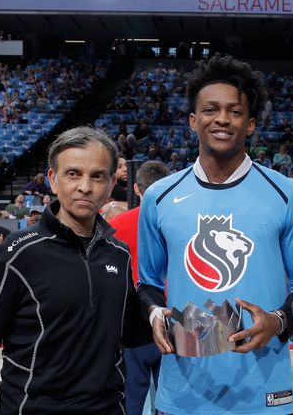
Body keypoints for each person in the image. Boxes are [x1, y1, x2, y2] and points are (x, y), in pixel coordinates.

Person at [137, 55, 293, 415]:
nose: (222, 119)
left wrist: (277, 321)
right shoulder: (160, 197)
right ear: (193, 120)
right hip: (181, 395)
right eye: (210, 109)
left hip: (265, 395)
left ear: (251, 124)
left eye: (235, 112)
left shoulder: (288, 195)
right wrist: (156, 313)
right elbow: (147, 285)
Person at [0, 127, 147, 414]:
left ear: (110, 186)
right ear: (52, 180)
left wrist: (186, 328)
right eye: (73, 174)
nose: (85, 186)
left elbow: (132, 333)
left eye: (97, 176)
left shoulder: (119, 255)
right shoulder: (15, 254)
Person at [110, 160, 170, 414]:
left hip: (132, 323)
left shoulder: (116, 226)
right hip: (173, 320)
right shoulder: (182, 224)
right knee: (172, 404)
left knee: (131, 402)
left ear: (136, 188)